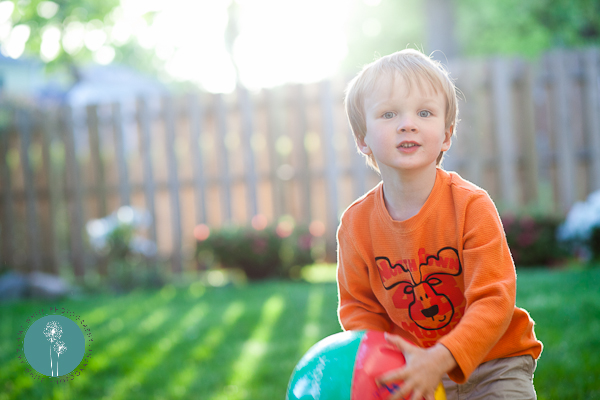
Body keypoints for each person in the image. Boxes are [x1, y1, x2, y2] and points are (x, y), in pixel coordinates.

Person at [337, 48, 543, 400]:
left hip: (495, 365)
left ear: (446, 135)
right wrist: (379, 363)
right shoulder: (356, 224)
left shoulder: (470, 206)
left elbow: (494, 300)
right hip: (414, 369)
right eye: (388, 114)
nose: (408, 123)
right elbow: (360, 309)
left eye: (424, 113)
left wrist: (442, 357)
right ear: (362, 139)